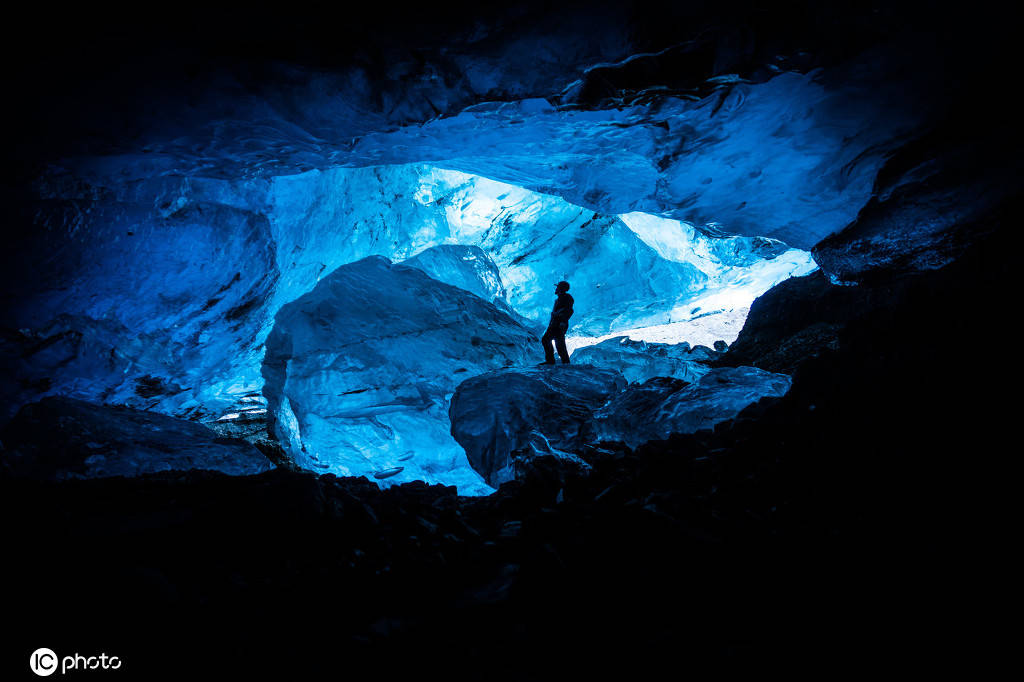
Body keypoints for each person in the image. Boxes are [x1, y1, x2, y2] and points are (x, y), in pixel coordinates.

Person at [541, 280, 573, 365]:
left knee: (547, 340)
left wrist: (562, 321)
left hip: (558, 324)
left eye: (558, 287)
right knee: (558, 344)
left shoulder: (567, 298)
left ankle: (551, 361)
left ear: (561, 289)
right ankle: (564, 362)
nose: (556, 288)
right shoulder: (559, 299)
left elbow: (569, 310)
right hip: (554, 324)